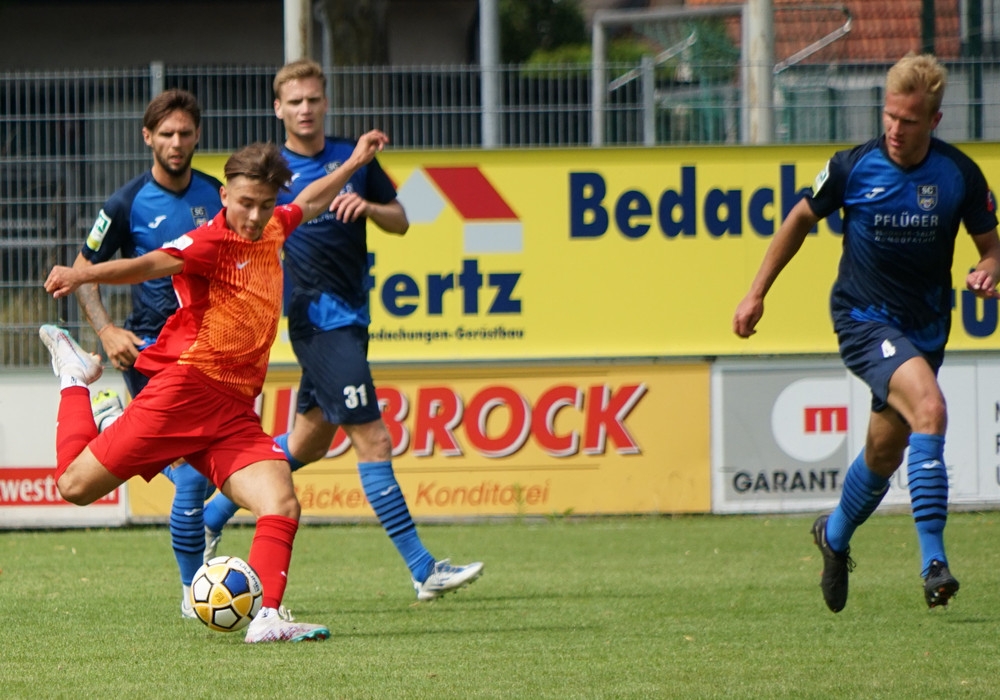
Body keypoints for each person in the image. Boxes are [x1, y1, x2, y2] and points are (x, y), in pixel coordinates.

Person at [41, 131, 389, 642]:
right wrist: (81, 274)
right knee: (73, 487)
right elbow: (147, 264)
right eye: (245, 203)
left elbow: (310, 201)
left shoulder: (273, 227)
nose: (254, 215)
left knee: (281, 502)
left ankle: (268, 618)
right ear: (224, 197)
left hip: (233, 410)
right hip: (184, 393)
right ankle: (75, 378)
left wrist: (355, 162)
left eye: (265, 204)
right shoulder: (210, 242)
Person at [201, 58, 484, 601]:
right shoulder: (272, 173)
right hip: (315, 319)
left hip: (353, 318)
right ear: (278, 108)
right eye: (295, 101)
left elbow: (403, 219)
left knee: (308, 441)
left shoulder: (352, 159)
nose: (306, 109)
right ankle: (424, 570)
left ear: (325, 102)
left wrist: (370, 205)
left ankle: (213, 514)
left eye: (314, 99)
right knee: (372, 437)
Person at [732, 53, 1000, 613]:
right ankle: (934, 561)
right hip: (862, 318)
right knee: (931, 408)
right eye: (888, 116)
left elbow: (992, 246)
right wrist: (757, 291)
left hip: (924, 330)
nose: (894, 130)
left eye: (907, 121)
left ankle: (833, 535)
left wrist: (989, 269)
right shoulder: (854, 167)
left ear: (935, 120)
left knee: (884, 453)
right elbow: (799, 219)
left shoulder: (958, 175)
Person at [72, 88, 221, 620]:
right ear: (147, 138)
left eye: (184, 133)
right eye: (166, 134)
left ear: (197, 135)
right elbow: (84, 269)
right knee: (200, 473)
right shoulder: (125, 203)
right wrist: (108, 329)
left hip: (210, 353)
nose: (176, 143)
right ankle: (192, 593)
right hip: (153, 353)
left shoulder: (219, 196)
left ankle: (120, 425)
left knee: (216, 468)